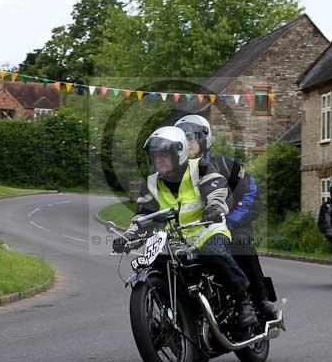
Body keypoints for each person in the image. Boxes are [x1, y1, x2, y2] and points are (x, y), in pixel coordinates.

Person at [113, 126, 257, 328]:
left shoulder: (200, 167)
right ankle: (177, 317)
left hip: (206, 230)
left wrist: (215, 207)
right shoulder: (152, 183)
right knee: (156, 267)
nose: (159, 159)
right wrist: (128, 237)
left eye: (164, 155)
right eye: (155, 156)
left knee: (212, 251)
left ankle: (244, 302)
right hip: (173, 241)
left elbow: (216, 190)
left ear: (178, 154)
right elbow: (143, 215)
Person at [174, 115, 279, 320]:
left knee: (241, 243)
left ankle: (259, 300)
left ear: (204, 141)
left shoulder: (226, 165)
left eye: (192, 138)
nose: (188, 144)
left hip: (229, 223)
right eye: (183, 140)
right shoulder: (175, 173)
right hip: (192, 230)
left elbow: (251, 193)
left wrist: (228, 220)